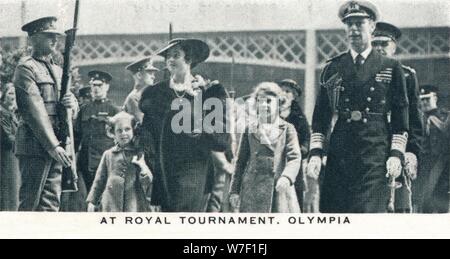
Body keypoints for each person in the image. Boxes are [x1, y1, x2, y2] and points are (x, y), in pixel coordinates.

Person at [306, 1, 410, 213]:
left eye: (359, 23)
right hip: (340, 152)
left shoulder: (391, 67)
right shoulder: (333, 67)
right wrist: (315, 153)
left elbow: (401, 118)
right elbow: (321, 117)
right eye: (349, 24)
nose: (353, 29)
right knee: (335, 216)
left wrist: (395, 154)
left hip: (375, 153)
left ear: (372, 26)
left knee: (367, 216)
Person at [139, 38, 231, 212]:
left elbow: (220, 140)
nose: (170, 60)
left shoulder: (210, 92)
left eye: (176, 55)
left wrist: (197, 122)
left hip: (194, 168)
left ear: (189, 59)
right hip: (163, 170)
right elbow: (147, 131)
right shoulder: (156, 93)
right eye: (167, 57)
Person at [13, 17, 79, 211]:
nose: (55, 40)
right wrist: (53, 146)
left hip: (57, 144)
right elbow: (34, 110)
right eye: (49, 36)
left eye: (55, 36)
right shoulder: (26, 68)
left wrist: (72, 105)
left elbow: (69, 107)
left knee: (50, 203)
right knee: (31, 202)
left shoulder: (59, 71)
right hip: (35, 146)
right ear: (34, 39)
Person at [371, 22, 424, 213]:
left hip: (398, 147)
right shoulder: (362, 76)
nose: (378, 48)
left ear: (394, 47)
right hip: (369, 148)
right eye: (374, 44)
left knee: (398, 206)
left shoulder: (407, 76)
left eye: (383, 44)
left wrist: (412, 151)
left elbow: (415, 118)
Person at [229, 82, 302, 213]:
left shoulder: (288, 129)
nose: (264, 105)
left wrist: (287, 177)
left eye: (268, 101)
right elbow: (240, 162)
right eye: (260, 101)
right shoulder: (250, 129)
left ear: (279, 103)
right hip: (252, 191)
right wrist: (234, 191)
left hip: (279, 189)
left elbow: (294, 158)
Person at [86, 112, 153, 212]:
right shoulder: (108, 154)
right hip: (110, 203)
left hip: (133, 202)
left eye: (127, 129)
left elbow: (147, 182)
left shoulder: (139, 153)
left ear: (133, 130)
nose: (123, 134)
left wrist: (143, 167)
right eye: (119, 131)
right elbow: (99, 181)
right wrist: (92, 201)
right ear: (113, 133)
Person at [75, 71, 120, 192]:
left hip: (105, 161)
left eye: (99, 85)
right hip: (86, 161)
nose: (96, 88)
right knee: (90, 195)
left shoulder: (114, 110)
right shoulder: (84, 109)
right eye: (93, 85)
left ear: (107, 87)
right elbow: (76, 136)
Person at [278, 79, 311, 211]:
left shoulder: (299, 118)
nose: (284, 94)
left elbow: (306, 139)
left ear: (294, 97)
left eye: (288, 92)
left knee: (294, 201)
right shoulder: (270, 113)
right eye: (282, 91)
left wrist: (300, 150)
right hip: (274, 164)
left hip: (293, 165)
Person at [415, 85, 449, 213]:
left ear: (435, 98)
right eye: (421, 99)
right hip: (420, 167)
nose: (423, 102)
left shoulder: (445, 117)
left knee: (439, 204)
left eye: (427, 99)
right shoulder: (416, 117)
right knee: (420, 204)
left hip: (440, 169)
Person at [0, 82, 20, 211]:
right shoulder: (2, 114)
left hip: (14, 158)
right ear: (3, 96)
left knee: (14, 193)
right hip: (6, 159)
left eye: (15, 94)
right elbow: (8, 139)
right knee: (9, 194)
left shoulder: (12, 114)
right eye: (10, 93)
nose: (13, 97)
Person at [123, 57, 159, 124]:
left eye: (153, 74)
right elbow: (142, 122)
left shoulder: (149, 95)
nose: (153, 77)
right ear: (139, 75)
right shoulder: (133, 98)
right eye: (150, 73)